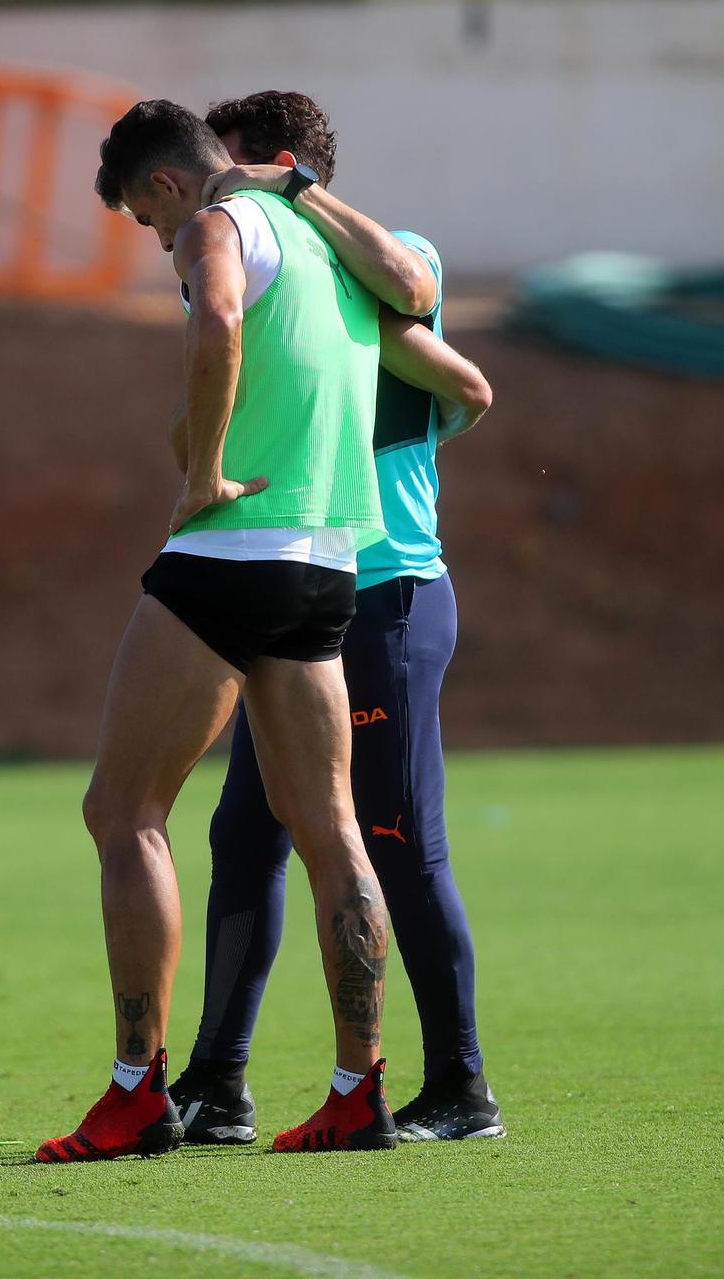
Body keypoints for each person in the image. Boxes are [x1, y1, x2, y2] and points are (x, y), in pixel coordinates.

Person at [38, 99, 485, 1162]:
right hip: (331, 560)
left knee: (123, 810)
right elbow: (428, 350)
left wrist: (198, 476)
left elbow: (221, 320)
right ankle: (354, 1088)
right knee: (327, 828)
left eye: (148, 229)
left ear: (162, 185)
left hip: (233, 547)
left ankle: (134, 1091)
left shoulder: (214, 224)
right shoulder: (329, 243)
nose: (164, 249)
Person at [166, 91, 505, 1144]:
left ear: (272, 166)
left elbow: (414, 302)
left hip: (388, 587)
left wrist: (296, 196)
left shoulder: (384, 253)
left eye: (229, 170)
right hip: (292, 579)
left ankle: (459, 1086)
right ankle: (216, 1081)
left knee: (399, 842)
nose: (210, 194)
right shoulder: (251, 264)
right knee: (244, 835)